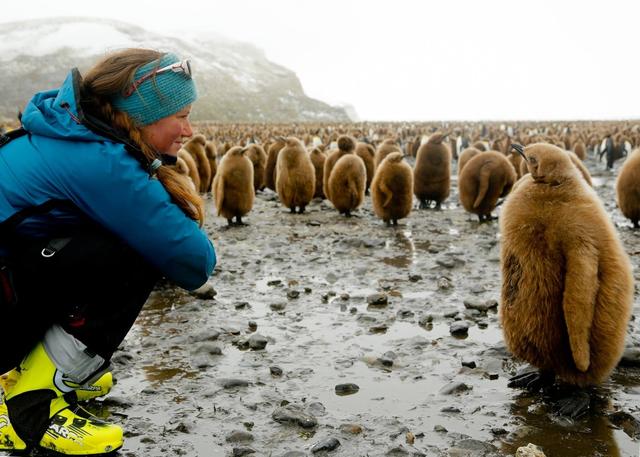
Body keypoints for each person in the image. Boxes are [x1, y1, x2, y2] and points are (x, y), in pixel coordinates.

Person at [0, 48, 216, 455]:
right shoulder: (101, 160)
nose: (189, 131)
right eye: (181, 116)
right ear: (142, 115)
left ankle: (32, 371)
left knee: (93, 238)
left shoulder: (71, 131)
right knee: (133, 251)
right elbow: (194, 261)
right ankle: (33, 405)